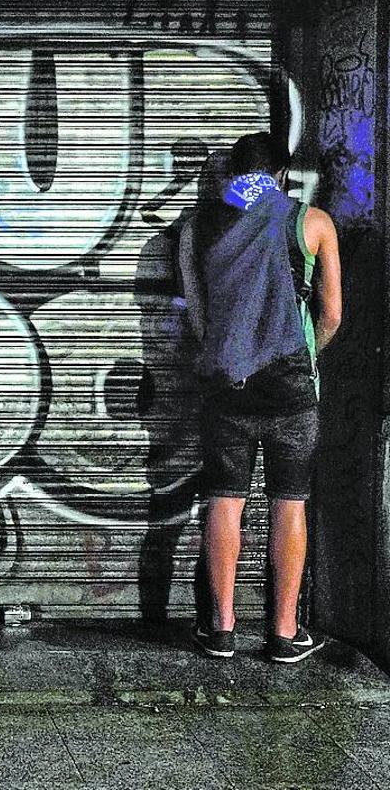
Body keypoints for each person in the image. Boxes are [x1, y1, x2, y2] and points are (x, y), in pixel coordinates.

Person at [183, 133, 342, 664]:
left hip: (228, 383)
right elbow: (332, 313)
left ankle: (221, 629)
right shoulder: (312, 224)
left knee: (224, 501)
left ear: (233, 173)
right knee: (289, 502)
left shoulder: (200, 224)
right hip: (291, 386)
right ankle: (282, 631)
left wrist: (230, 356)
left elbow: (199, 314)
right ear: (281, 174)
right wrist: (304, 356)